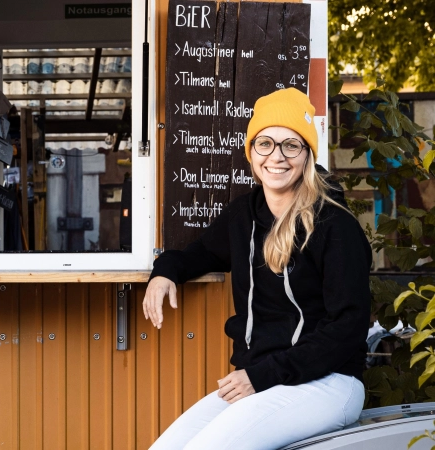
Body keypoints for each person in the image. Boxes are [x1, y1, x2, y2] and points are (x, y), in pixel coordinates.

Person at [143, 88, 371, 450]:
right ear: (251, 153)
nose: (276, 157)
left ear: (307, 155)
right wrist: (165, 272)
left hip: (328, 382)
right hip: (262, 380)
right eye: (265, 143)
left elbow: (347, 328)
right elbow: (200, 252)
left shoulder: (334, 226)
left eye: (291, 145)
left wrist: (261, 376)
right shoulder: (244, 215)